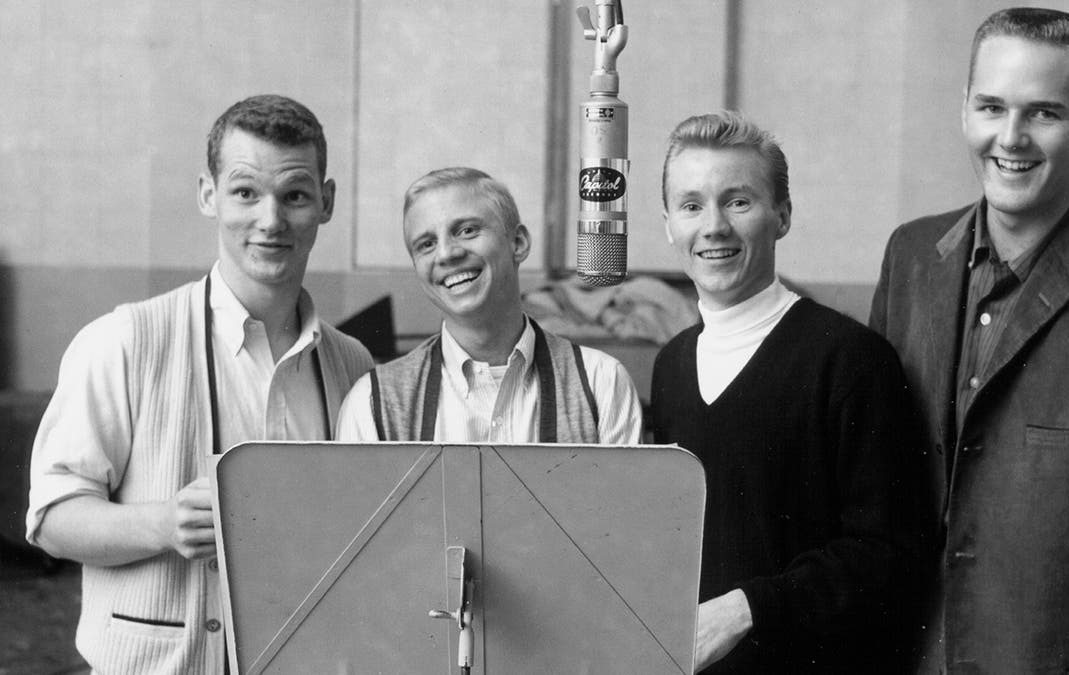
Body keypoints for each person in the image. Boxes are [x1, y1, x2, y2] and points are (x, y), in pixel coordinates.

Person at [870, 8, 1069, 673]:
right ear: (965, 109)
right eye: (991, 106)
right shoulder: (909, 256)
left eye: (1044, 113)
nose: (1010, 138)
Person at [25, 94, 374, 674]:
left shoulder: (353, 366)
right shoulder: (124, 340)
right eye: (245, 192)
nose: (271, 219)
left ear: (326, 202)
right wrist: (161, 523)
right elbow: (51, 518)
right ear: (208, 196)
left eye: (294, 195)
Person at [652, 111, 923, 673]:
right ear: (668, 225)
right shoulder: (671, 364)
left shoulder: (850, 358)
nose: (714, 226)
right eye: (692, 204)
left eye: (739, 201)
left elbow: (889, 555)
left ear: (783, 216)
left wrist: (746, 609)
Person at [336, 167, 642, 445]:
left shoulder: (602, 383)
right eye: (426, 244)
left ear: (518, 243)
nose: (445, 254)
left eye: (467, 230)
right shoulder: (372, 403)